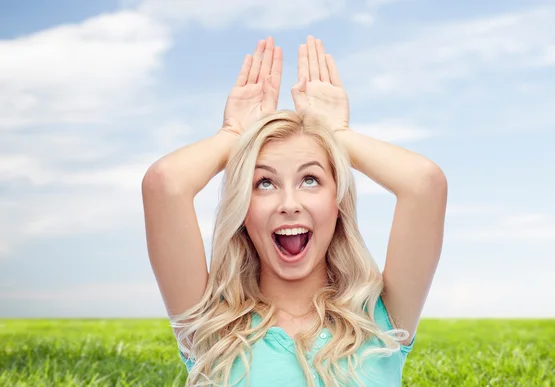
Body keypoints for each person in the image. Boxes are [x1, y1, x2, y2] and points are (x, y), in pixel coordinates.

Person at [142, 35, 447, 387]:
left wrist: (336, 134)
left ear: (338, 202)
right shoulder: (211, 326)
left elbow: (425, 184)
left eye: (311, 180)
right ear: (243, 208)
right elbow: (164, 184)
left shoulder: (380, 318)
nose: (289, 204)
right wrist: (235, 134)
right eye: (264, 184)